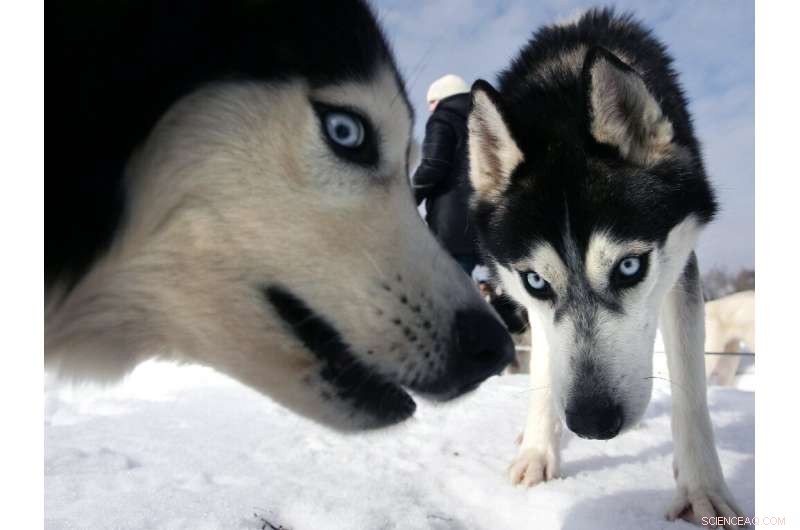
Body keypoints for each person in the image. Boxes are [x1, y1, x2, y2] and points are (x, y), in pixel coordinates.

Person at [412, 74, 480, 276]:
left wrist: (408, 195)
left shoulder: (443, 117)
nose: (430, 109)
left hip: (449, 228)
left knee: (443, 292)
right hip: (477, 227)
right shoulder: (483, 118)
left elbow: (434, 164)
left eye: (432, 102)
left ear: (443, 97)